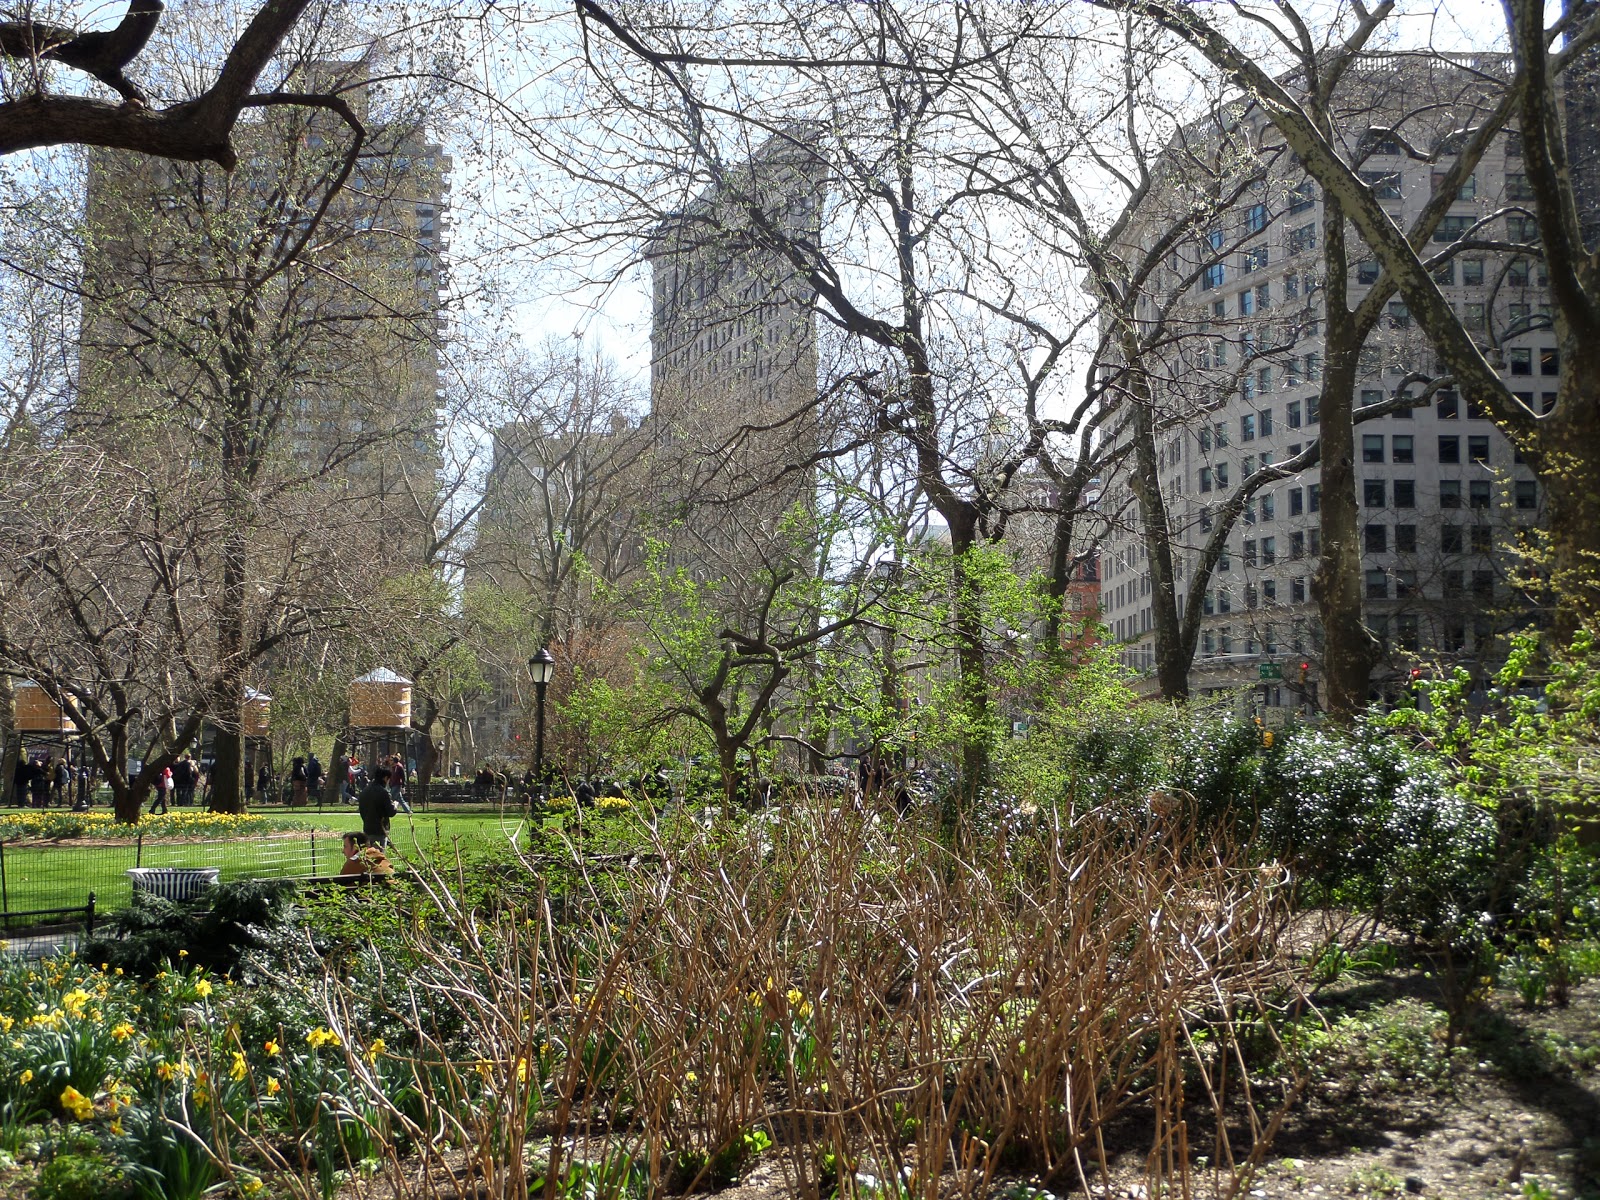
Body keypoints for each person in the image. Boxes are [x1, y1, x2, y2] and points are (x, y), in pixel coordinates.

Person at [356, 766, 396, 847]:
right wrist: (395, 805)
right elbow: (390, 812)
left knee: (369, 856)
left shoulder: (364, 791)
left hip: (367, 828)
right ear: (385, 778)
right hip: (380, 830)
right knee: (379, 857)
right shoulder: (384, 792)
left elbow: (361, 810)